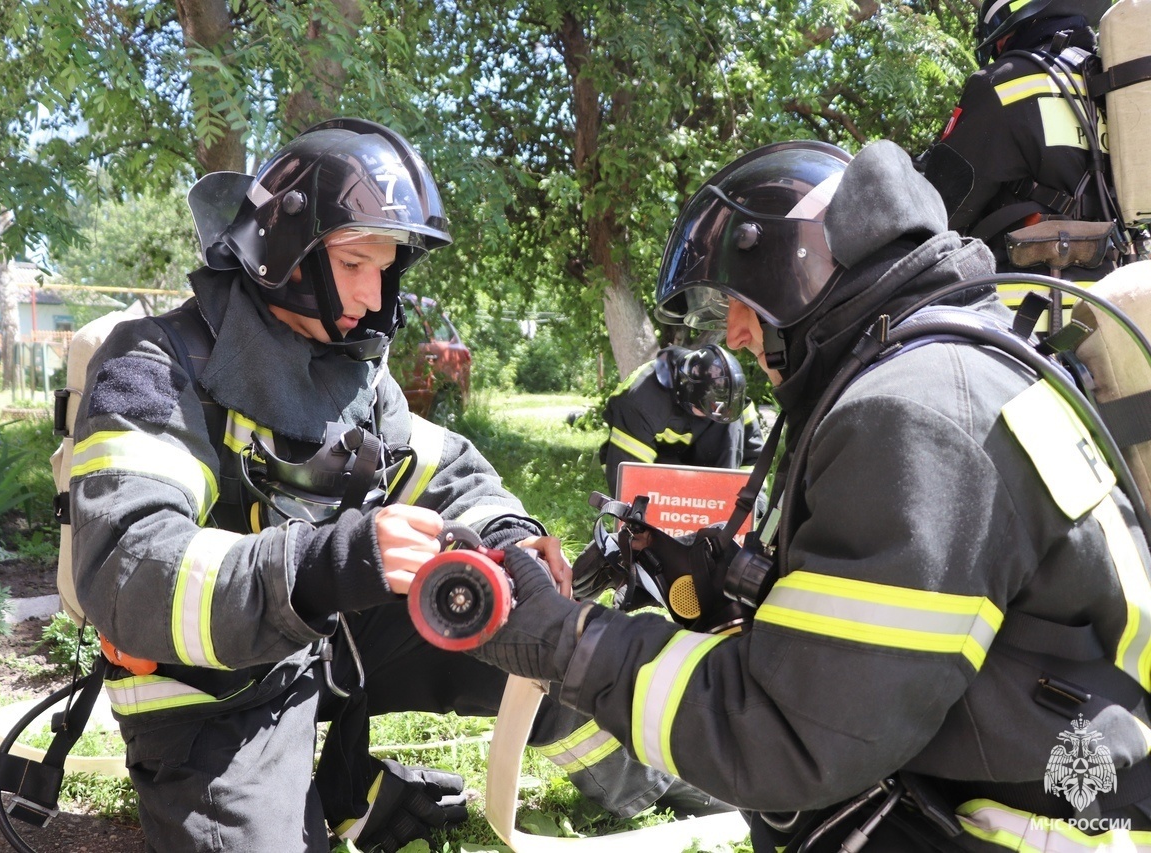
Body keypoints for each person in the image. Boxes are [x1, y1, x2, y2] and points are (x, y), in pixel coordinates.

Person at [469, 138, 1151, 851]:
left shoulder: (911, 418)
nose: (732, 333)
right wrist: (723, 590)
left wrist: (569, 643)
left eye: (741, 301)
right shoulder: (957, 363)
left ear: (801, 276)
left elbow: (787, 733)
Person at [67, 117, 716, 853]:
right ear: (283, 251)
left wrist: (507, 538)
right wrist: (327, 564)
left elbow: (447, 471)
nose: (373, 294)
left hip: (332, 633)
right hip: (207, 683)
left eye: (384, 266)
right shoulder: (155, 365)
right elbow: (128, 567)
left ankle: (662, 774)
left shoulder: (351, 366)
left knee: (516, 613)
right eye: (352, 264)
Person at [921, 0, 1118, 280]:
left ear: (1004, 34)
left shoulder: (1002, 83)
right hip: (1118, 297)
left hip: (1026, 306)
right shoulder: (1111, 86)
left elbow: (940, 210)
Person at [599, 343, 764, 495]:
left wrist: (751, 503)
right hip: (658, 464)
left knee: (729, 426)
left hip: (705, 462)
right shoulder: (641, 401)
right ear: (687, 394)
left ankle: (721, 496)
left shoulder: (729, 399)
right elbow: (630, 481)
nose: (710, 417)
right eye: (705, 409)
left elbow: (753, 458)